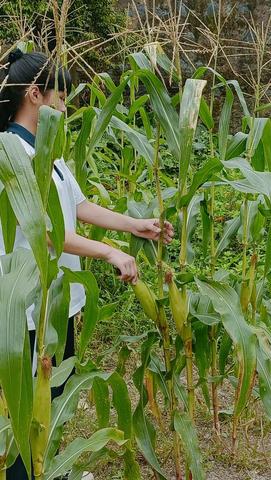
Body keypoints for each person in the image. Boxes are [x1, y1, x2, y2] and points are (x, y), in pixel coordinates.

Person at [0, 49, 174, 479]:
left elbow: (78, 206)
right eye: (61, 97)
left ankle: (45, 469)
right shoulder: (9, 154)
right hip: (25, 306)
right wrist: (110, 252)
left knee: (54, 399)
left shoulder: (49, 153)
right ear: (36, 95)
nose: (66, 106)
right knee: (28, 413)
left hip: (58, 302)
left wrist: (136, 225)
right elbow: (45, 233)